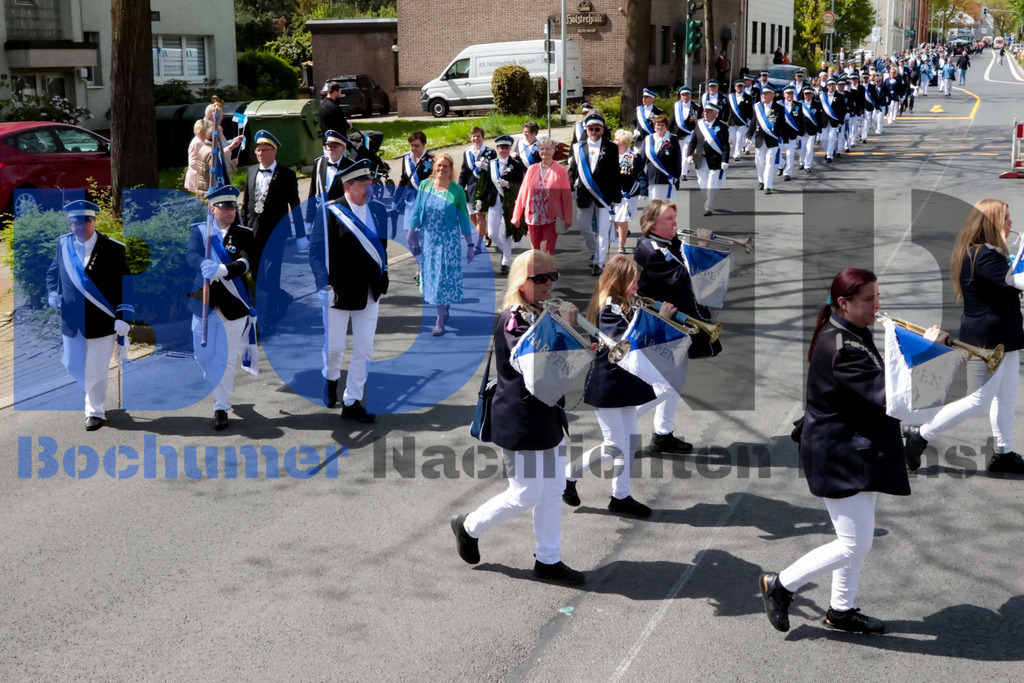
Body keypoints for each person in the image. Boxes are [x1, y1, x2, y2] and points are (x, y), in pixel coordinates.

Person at [759, 268, 945, 635]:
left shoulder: (853, 333)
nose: (879, 305)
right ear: (843, 304)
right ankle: (780, 585)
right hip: (839, 455)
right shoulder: (843, 348)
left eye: (877, 296)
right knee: (854, 543)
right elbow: (893, 399)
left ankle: (840, 611)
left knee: (856, 539)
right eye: (869, 300)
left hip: (857, 447)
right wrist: (928, 354)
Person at [450, 250, 584, 586]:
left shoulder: (542, 311)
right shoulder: (513, 319)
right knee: (526, 492)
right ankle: (468, 526)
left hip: (547, 413)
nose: (548, 284)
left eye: (553, 276)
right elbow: (533, 368)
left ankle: (548, 559)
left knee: (553, 489)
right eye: (539, 278)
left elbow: (561, 368)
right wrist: (563, 331)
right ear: (521, 282)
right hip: (521, 416)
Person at [904, 199, 1024, 475]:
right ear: (991, 223)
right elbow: (1018, 281)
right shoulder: (983, 256)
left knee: (1005, 397)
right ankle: (920, 435)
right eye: (1005, 218)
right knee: (978, 400)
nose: (1011, 223)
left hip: (1004, 334)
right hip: (988, 338)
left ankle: (1003, 453)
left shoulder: (988, 252)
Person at [563, 255, 676, 518]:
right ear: (618, 281)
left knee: (629, 444)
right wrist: (657, 320)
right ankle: (568, 476)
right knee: (614, 444)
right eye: (633, 282)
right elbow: (625, 343)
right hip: (609, 382)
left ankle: (621, 496)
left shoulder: (627, 302)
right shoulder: (609, 307)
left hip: (625, 381)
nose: (638, 286)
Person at [309, 159, 389, 423]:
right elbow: (316, 253)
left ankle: (352, 399)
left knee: (364, 349)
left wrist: (383, 275)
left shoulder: (378, 210)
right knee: (335, 349)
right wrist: (323, 284)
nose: (370, 189)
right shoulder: (330, 212)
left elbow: (382, 248)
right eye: (365, 185)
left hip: (369, 291)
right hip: (338, 292)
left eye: (371, 184)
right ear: (348, 186)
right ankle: (330, 379)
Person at [45, 200, 131, 431]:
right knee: (72, 363)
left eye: (85, 221)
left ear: (94, 221)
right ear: (70, 223)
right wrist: (52, 292)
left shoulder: (113, 248)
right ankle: (91, 391)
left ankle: (94, 411)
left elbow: (126, 286)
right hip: (71, 320)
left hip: (102, 321)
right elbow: (53, 272)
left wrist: (124, 317)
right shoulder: (63, 244)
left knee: (96, 369)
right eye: (75, 222)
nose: (80, 226)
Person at [633, 199, 705, 455]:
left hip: (675, 322)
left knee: (675, 380)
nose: (675, 223)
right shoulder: (651, 249)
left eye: (675, 218)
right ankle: (621, 420)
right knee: (665, 385)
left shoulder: (666, 243)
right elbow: (682, 278)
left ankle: (662, 435)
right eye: (669, 219)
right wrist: (702, 250)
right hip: (660, 325)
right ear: (652, 223)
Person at [185, 185, 256, 431]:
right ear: (212, 208)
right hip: (202, 302)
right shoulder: (200, 231)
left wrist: (226, 269)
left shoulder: (245, 232)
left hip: (234, 305)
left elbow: (246, 261)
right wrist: (204, 264)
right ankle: (218, 388)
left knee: (225, 360)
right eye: (225, 207)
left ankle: (220, 407)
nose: (230, 211)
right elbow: (191, 255)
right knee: (202, 355)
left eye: (233, 207)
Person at [239, 130, 306, 336]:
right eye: (257, 150)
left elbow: (294, 205)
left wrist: (301, 234)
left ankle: (266, 321)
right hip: (253, 234)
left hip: (275, 234)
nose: (259, 153)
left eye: (263, 150)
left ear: (274, 151)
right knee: (258, 277)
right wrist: (241, 230)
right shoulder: (251, 172)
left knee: (270, 276)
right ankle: (282, 298)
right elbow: (246, 205)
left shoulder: (286, 174)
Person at [409, 152, 475, 336]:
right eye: (438, 165)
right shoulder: (425, 185)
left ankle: (439, 319)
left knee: (443, 278)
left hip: (448, 242)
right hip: (429, 240)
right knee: (434, 278)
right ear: (434, 167)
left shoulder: (457, 190)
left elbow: (463, 219)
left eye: (445, 166)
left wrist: (470, 245)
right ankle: (443, 308)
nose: (441, 169)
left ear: (450, 169)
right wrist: (411, 233)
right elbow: (417, 211)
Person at [568, 112, 619, 276]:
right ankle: (597, 252)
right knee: (583, 227)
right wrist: (569, 187)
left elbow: (615, 173)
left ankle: (598, 262)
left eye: (597, 129)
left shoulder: (611, 147)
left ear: (603, 130)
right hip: (583, 194)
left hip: (604, 196)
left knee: (603, 231)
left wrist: (616, 196)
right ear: (586, 130)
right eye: (591, 129)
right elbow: (573, 170)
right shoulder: (578, 147)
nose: (594, 132)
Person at [512, 136, 573, 256]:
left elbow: (566, 196)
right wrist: (516, 216)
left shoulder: (560, 170)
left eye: (548, 149)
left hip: (551, 216)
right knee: (535, 250)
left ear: (554, 150)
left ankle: (548, 272)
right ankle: (537, 272)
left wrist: (568, 217)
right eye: (541, 149)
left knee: (548, 250)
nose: (544, 152)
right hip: (533, 215)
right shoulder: (531, 169)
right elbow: (522, 193)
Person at [475, 135, 526, 276]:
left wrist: (508, 184)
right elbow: (486, 184)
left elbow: (520, 185)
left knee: (506, 233)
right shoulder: (491, 164)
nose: (503, 150)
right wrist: (480, 199)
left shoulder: (516, 164)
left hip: (509, 202)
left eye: (506, 147)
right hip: (494, 201)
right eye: (501, 147)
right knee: (491, 233)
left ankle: (505, 262)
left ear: (510, 148)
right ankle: (507, 252)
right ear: (497, 148)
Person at [304, 130, 351, 240]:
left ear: (343, 148)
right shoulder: (319, 164)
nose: (330, 149)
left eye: (334, 146)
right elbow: (312, 192)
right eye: (328, 146)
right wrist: (309, 220)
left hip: (343, 219)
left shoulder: (350, 167)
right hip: (322, 218)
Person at [686, 101, 730, 216]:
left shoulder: (722, 126)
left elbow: (725, 145)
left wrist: (725, 160)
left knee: (712, 183)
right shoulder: (699, 124)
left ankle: (709, 207)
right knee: (702, 184)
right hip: (700, 158)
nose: (705, 113)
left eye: (709, 111)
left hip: (715, 159)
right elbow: (693, 141)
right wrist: (689, 155)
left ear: (715, 114)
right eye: (705, 111)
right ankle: (710, 199)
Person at [458, 127, 495, 250]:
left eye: (478, 136)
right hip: (471, 189)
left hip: (484, 189)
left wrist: (487, 167)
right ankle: (486, 235)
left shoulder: (490, 152)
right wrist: (460, 188)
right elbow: (464, 172)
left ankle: (479, 245)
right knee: (472, 217)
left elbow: (495, 171)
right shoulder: (467, 152)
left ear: (483, 138)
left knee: (480, 216)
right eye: (474, 136)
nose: (476, 138)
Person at [612, 129, 645, 253]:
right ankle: (624, 232)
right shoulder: (611, 155)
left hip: (628, 193)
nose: (614, 141)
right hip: (613, 193)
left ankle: (621, 245)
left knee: (622, 218)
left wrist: (644, 190)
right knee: (615, 219)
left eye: (617, 139)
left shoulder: (633, 157)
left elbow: (641, 174)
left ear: (625, 142)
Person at [747, 85, 785, 194]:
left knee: (770, 162)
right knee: (759, 162)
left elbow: (782, 124)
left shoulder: (779, 108)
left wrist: (785, 138)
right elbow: (754, 122)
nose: (764, 96)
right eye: (763, 94)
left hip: (772, 139)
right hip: (759, 138)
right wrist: (749, 136)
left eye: (766, 94)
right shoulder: (758, 107)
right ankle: (761, 181)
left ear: (772, 96)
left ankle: (768, 185)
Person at [396, 130, 433, 237]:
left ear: (424, 144)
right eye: (412, 145)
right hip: (410, 200)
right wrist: (396, 198)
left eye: (417, 146)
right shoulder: (407, 158)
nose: (413, 148)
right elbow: (404, 179)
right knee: (410, 234)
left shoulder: (431, 159)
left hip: (425, 200)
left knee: (423, 232)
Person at [637, 114, 681, 200]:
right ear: (654, 127)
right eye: (657, 125)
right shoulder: (648, 139)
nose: (659, 127)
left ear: (667, 127)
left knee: (663, 205)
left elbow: (677, 160)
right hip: (651, 178)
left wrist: (676, 176)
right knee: (652, 206)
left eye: (662, 125)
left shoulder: (673, 139)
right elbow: (641, 159)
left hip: (666, 179)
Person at [194, 119, 239, 198]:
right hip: (211, 193)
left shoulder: (205, 148)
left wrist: (232, 146)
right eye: (221, 135)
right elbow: (218, 172)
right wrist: (233, 164)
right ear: (215, 137)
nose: (223, 138)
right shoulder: (213, 153)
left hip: (204, 190)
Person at [671, 86, 700, 182]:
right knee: (677, 155)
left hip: (689, 135)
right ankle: (678, 170)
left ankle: (683, 173)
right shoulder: (676, 106)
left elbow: (699, 122)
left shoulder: (696, 107)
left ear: (690, 96)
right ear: (680, 96)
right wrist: (668, 133)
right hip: (677, 134)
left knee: (685, 154)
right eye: (683, 95)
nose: (685, 97)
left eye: (687, 95)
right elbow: (672, 120)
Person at [726, 79, 752, 161]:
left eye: (741, 86)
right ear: (734, 87)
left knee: (739, 137)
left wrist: (751, 121)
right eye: (738, 86)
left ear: (743, 87)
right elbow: (727, 109)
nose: (739, 88)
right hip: (732, 121)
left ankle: (737, 153)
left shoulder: (748, 97)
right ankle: (737, 149)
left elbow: (750, 111)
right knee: (733, 138)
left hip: (742, 121)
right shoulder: (730, 97)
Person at [797, 87, 821, 173]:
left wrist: (819, 129)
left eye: (809, 94)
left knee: (810, 148)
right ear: (803, 95)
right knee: (802, 148)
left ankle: (808, 165)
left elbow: (819, 117)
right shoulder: (799, 104)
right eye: (805, 94)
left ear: (812, 94)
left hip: (812, 129)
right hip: (802, 129)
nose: (807, 95)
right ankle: (802, 162)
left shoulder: (817, 104)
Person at [184, 118, 208, 195]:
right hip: (197, 177)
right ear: (203, 131)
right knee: (202, 200)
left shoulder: (202, 141)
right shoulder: (196, 143)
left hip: (202, 177)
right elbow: (193, 162)